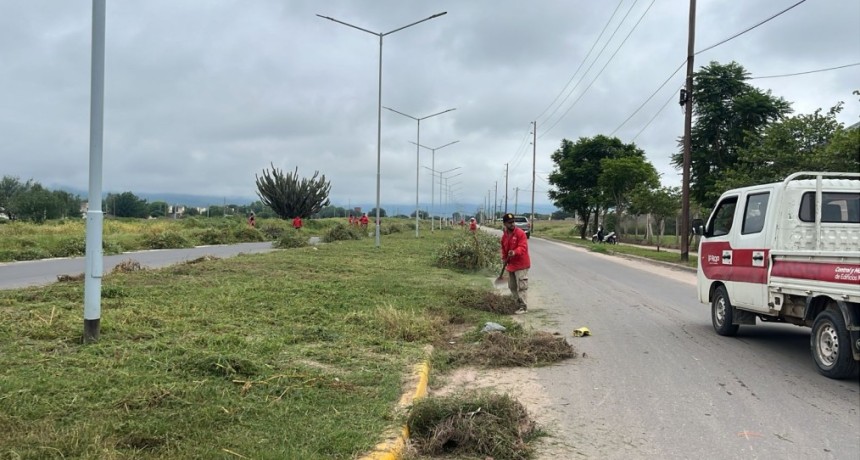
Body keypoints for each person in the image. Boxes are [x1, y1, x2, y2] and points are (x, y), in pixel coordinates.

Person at [501, 212, 531, 314]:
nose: (512, 224)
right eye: (510, 222)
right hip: (511, 265)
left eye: (513, 222)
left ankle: (523, 307)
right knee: (512, 286)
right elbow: (504, 250)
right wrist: (504, 259)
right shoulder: (504, 236)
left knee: (522, 287)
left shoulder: (520, 233)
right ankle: (517, 304)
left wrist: (514, 252)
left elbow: (522, 247)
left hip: (521, 264)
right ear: (505, 224)